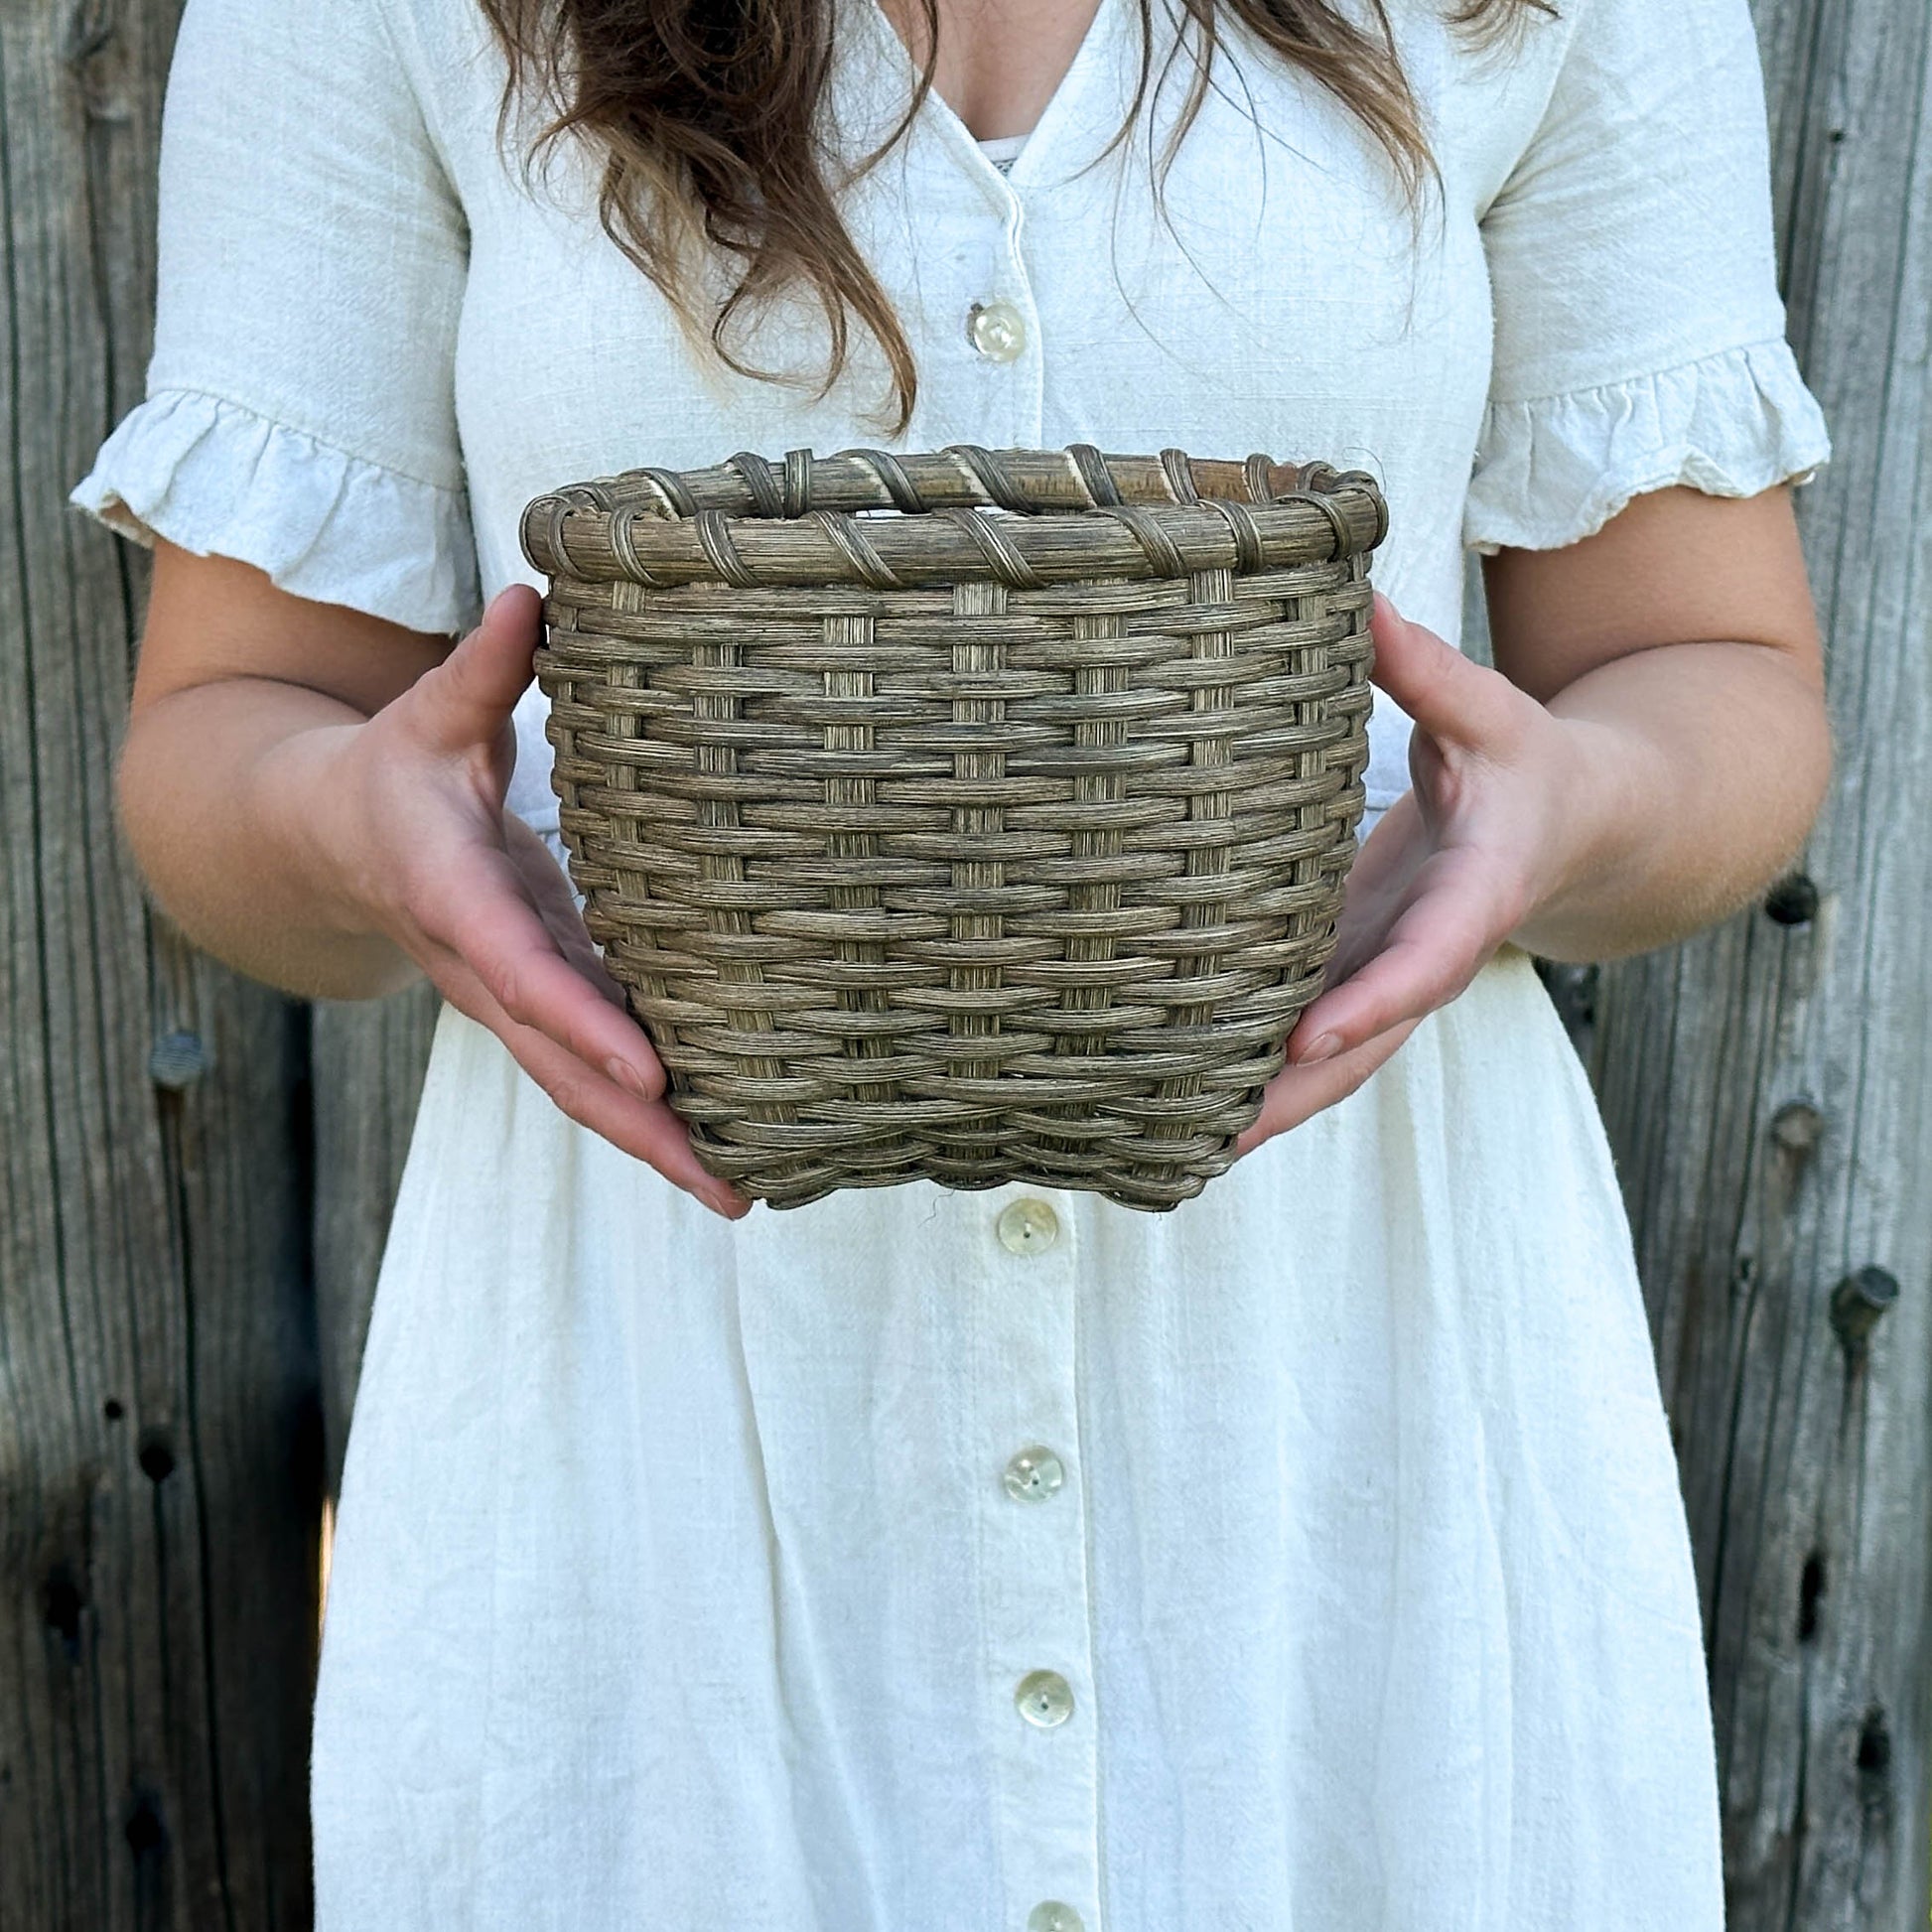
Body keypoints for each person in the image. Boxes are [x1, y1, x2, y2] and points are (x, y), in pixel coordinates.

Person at [71, 0, 1832, 1922]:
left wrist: (1566, 805)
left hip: (1346, 1477)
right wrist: (353, 829)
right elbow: (229, 725)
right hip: (655, 1522)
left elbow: (1712, 671)